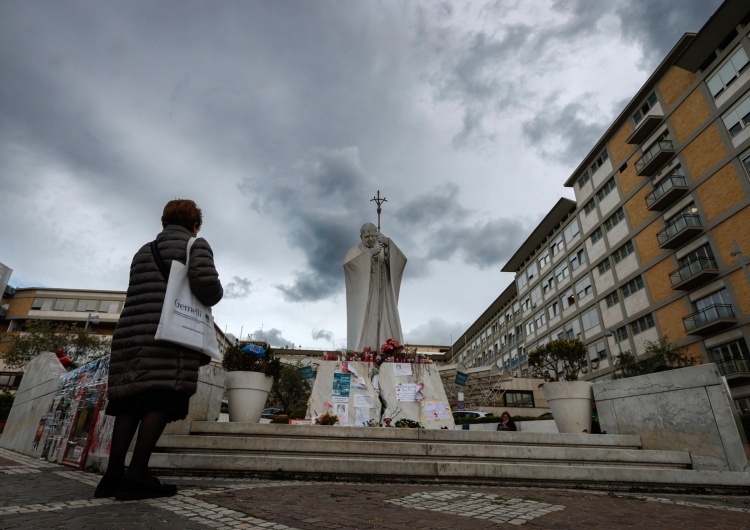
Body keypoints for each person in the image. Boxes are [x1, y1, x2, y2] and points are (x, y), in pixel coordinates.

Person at [95, 199, 223, 501]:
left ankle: (112, 477)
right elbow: (208, 289)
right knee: (160, 400)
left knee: (130, 402)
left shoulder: (143, 251)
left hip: (131, 335)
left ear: (164, 221)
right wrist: (216, 290)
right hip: (169, 336)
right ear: (195, 224)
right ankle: (137, 474)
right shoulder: (195, 245)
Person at [343, 223, 407, 352]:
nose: (371, 239)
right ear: (361, 236)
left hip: (383, 292)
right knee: (367, 321)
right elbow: (350, 268)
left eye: (373, 235)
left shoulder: (382, 247)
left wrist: (388, 243)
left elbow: (400, 260)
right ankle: (364, 350)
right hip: (366, 294)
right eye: (367, 236)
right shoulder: (354, 251)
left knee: (384, 319)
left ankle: (386, 348)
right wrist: (370, 255)